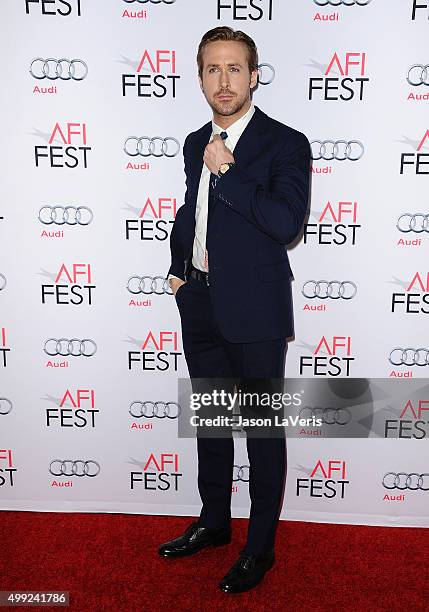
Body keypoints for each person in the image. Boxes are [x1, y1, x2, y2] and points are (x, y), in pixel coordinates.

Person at [159, 26, 311, 594]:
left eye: (234, 69)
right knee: (214, 425)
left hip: (256, 310)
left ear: (254, 75)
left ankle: (260, 548)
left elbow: (284, 223)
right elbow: (192, 211)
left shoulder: (285, 143)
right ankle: (215, 523)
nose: (223, 81)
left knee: (263, 433)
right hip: (198, 300)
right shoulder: (197, 137)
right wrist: (178, 269)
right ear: (200, 79)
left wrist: (227, 169)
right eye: (212, 70)